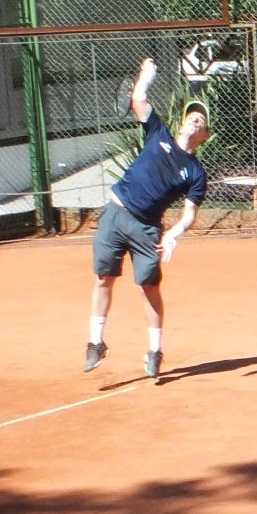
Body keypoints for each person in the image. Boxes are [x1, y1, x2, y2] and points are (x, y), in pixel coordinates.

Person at [85, 57, 210, 380]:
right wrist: (147, 75)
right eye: (191, 117)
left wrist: (174, 234)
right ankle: (96, 343)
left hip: (146, 229)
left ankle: (155, 351)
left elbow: (190, 213)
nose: (195, 121)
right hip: (115, 214)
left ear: (205, 136)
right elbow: (138, 99)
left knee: (149, 287)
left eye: (201, 120)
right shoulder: (159, 134)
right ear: (182, 123)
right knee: (103, 279)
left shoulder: (195, 172)